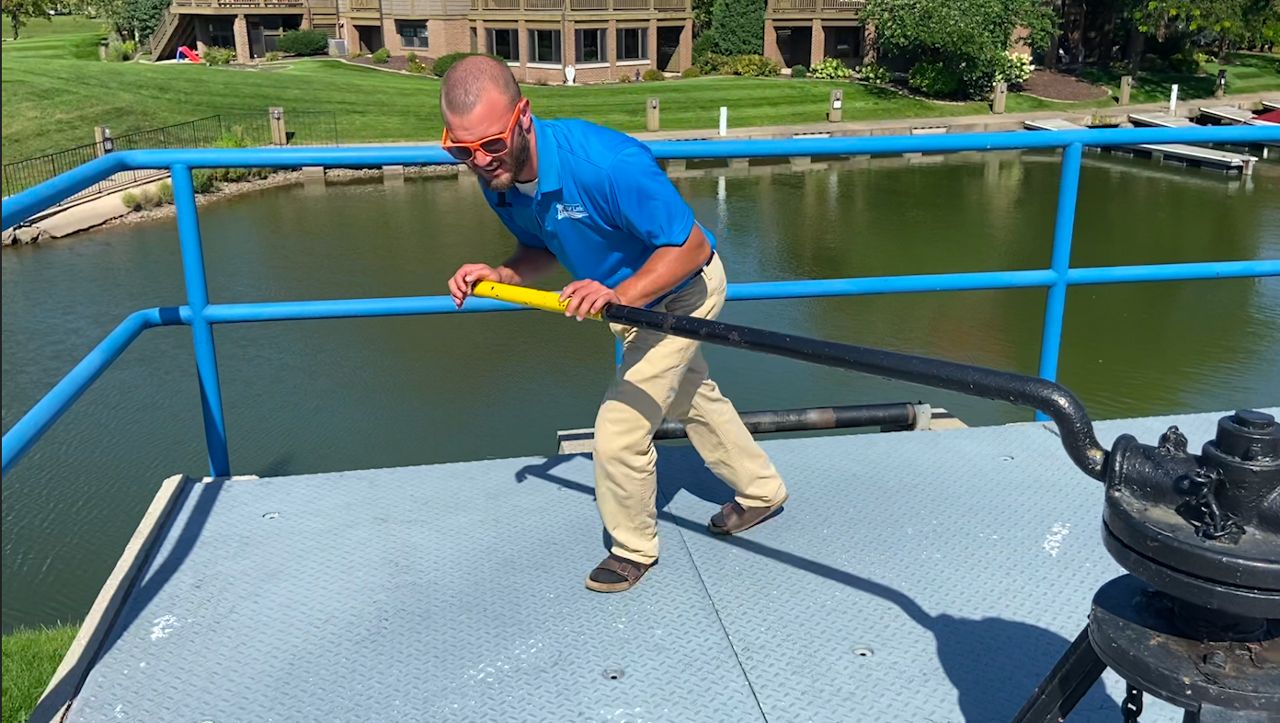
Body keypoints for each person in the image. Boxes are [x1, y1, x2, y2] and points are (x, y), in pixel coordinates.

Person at [441, 56, 789, 593]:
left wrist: (618, 294)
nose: (481, 161)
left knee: (620, 429)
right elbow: (540, 246)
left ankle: (633, 548)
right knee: (690, 395)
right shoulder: (499, 178)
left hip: (683, 291)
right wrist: (502, 271)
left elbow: (692, 246)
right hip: (625, 302)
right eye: (461, 151)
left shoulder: (608, 164)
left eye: (490, 144)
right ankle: (762, 491)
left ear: (523, 116)